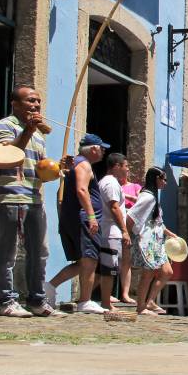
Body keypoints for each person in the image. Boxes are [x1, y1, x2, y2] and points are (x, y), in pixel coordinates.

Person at [0, 85, 63, 317]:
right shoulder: (5, 125)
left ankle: (37, 300)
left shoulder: (38, 134)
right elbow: (8, 155)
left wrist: (58, 169)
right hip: (9, 196)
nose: (35, 105)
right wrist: (28, 130)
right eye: (30, 101)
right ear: (15, 104)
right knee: (6, 252)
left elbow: (39, 171)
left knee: (39, 252)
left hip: (34, 197)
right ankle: (6, 300)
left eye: (38, 101)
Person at [47, 134, 112, 314]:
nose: (104, 151)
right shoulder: (84, 164)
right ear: (93, 149)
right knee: (89, 259)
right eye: (102, 148)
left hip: (75, 218)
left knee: (84, 261)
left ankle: (50, 287)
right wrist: (92, 217)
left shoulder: (76, 164)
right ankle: (85, 300)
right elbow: (82, 190)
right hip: (84, 219)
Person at [128, 167, 177, 316]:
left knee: (167, 271)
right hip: (147, 240)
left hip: (157, 241)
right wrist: (128, 234)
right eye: (164, 179)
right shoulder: (148, 197)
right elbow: (131, 217)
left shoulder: (153, 197)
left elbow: (157, 222)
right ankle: (141, 307)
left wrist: (169, 234)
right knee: (148, 274)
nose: (165, 182)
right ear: (156, 179)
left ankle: (149, 301)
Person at [97, 153, 131, 312]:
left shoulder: (109, 182)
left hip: (110, 230)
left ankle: (100, 299)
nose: (128, 169)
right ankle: (105, 302)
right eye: (125, 166)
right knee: (109, 268)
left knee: (107, 268)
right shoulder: (111, 183)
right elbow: (114, 207)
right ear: (116, 166)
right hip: (110, 231)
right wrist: (124, 230)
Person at [118, 167, 141, 304]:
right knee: (113, 259)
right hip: (117, 222)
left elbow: (140, 200)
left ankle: (125, 294)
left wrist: (124, 196)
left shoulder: (135, 186)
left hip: (130, 224)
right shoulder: (113, 185)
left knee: (126, 260)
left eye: (127, 170)